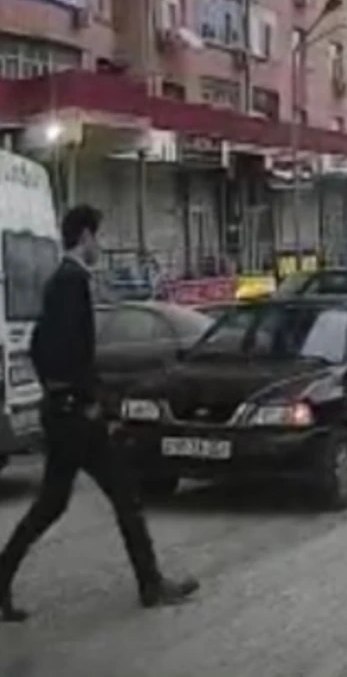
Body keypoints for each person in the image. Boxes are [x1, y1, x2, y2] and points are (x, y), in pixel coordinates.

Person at [0, 205, 198, 623]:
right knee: (122, 496)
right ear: (86, 237)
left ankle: (2, 582)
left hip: (64, 411)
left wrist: (56, 390)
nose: (100, 246)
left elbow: (39, 345)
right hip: (77, 416)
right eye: (98, 238)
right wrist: (85, 398)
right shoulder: (72, 283)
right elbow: (72, 350)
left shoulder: (58, 283)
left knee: (56, 504)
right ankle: (151, 585)